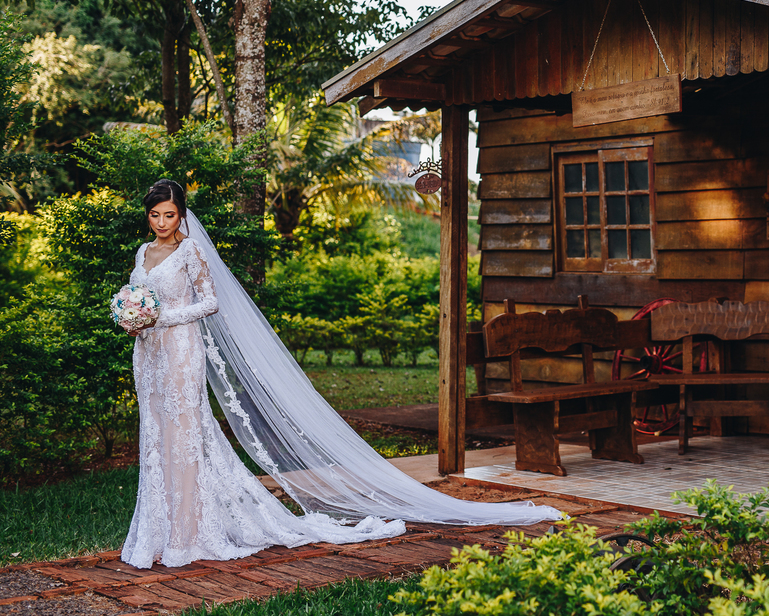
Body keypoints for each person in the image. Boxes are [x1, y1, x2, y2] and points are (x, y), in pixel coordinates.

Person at [121, 179, 560, 569]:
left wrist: (162, 317)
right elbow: (139, 295)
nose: (162, 223)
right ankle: (155, 533)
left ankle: (186, 536)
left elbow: (210, 303)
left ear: (182, 214)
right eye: (155, 215)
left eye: (170, 215)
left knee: (184, 438)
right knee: (155, 438)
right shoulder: (143, 252)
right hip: (149, 355)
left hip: (181, 352)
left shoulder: (191, 250)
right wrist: (135, 318)